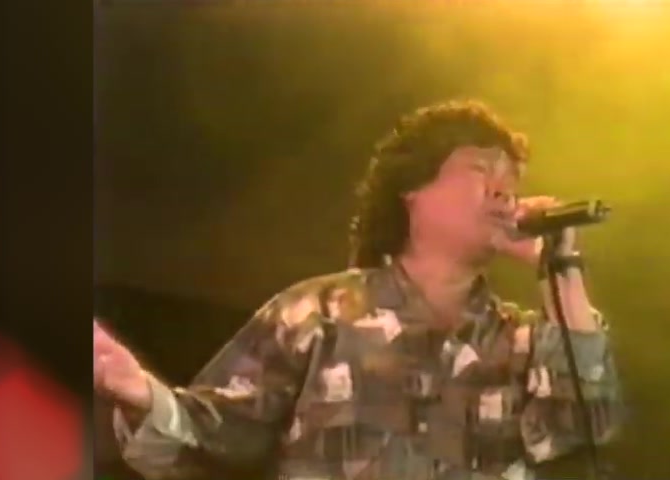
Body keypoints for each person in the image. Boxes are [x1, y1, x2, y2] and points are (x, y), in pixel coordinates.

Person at [93, 100, 623, 480]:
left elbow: (587, 427)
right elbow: (213, 439)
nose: (505, 191)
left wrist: (561, 263)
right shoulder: (317, 312)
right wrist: (140, 393)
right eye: (481, 170)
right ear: (412, 191)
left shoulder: (525, 342)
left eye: (512, 179)